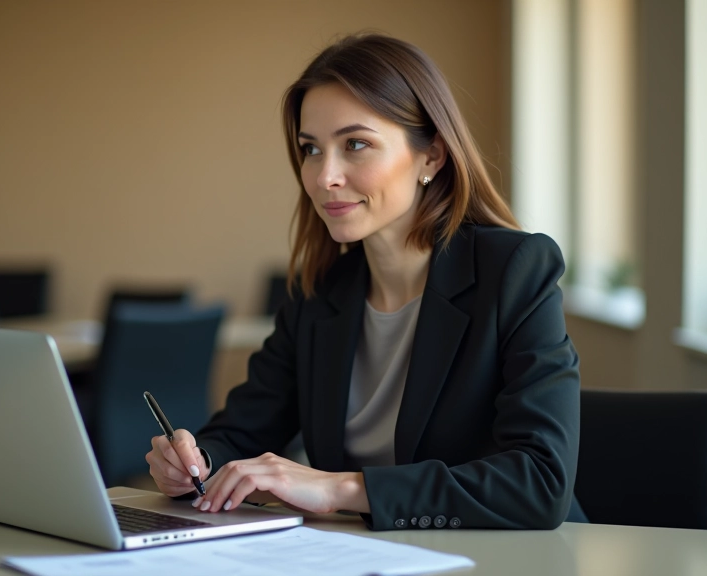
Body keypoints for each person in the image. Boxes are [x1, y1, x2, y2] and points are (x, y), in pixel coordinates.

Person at [145, 33, 583, 530]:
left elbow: (539, 482)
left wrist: (337, 487)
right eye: (311, 149)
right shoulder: (319, 291)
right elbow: (241, 432)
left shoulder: (515, 270)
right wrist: (193, 461)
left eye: (356, 144)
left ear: (431, 156)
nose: (324, 176)